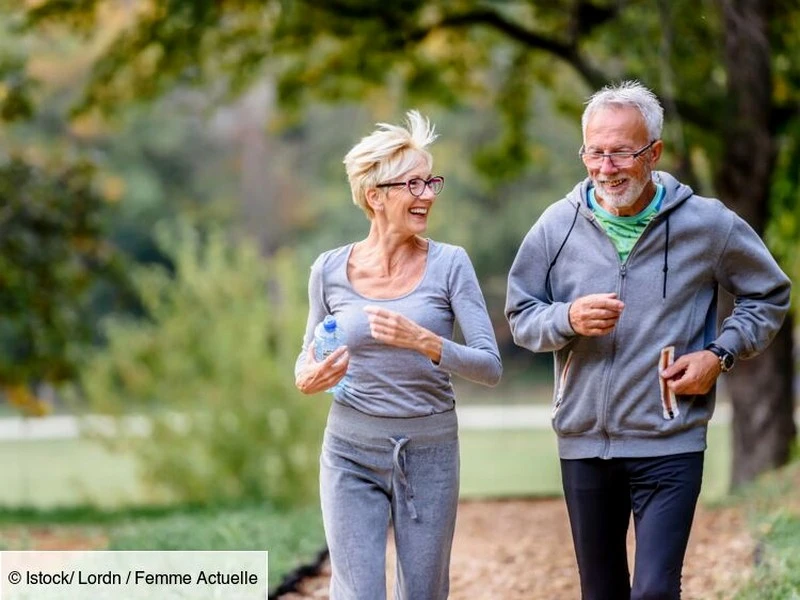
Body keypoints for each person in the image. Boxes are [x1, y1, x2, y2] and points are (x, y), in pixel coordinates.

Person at [505, 81, 791, 600]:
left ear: (654, 153)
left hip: (670, 439)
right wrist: (566, 317)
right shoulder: (556, 226)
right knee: (602, 592)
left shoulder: (707, 224)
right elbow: (521, 316)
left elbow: (769, 295)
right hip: (584, 443)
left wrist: (720, 354)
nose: (606, 167)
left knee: (655, 592)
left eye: (622, 153)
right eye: (595, 152)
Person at [295, 110, 502, 600]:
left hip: (429, 450)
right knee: (357, 592)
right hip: (349, 448)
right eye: (413, 183)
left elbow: (490, 366)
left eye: (431, 181)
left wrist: (425, 341)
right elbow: (307, 355)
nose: (428, 194)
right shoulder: (327, 270)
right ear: (375, 195)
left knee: (424, 594)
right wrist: (308, 376)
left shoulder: (450, 265)